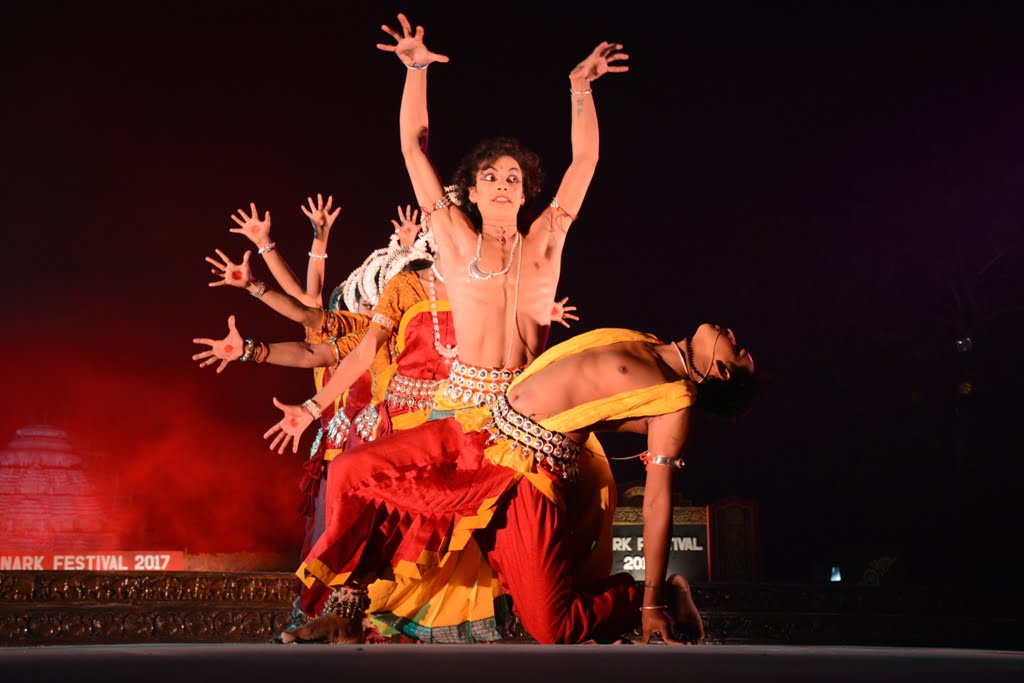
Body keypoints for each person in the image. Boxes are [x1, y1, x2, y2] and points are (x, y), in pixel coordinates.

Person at [279, 322, 758, 645]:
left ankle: (658, 600)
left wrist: (651, 598)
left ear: (719, 370)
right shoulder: (643, 341)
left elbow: (657, 501)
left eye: (736, 349)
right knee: (353, 472)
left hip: (526, 475)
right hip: (479, 432)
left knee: (554, 626)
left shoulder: (676, 404)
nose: (732, 333)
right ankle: (345, 609)